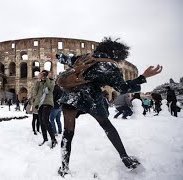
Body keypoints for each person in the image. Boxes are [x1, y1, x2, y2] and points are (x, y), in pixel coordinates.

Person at [55, 37, 162, 177]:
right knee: (107, 126)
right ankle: (126, 159)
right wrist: (143, 77)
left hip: (70, 97)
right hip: (90, 97)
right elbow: (122, 88)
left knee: (68, 132)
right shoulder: (109, 66)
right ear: (117, 54)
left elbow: (69, 59)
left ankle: (64, 168)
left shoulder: (86, 58)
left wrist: (57, 56)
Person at [33, 70, 58, 148]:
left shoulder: (51, 81)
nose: (43, 76)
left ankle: (53, 139)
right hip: (40, 104)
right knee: (41, 121)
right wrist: (38, 80)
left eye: (44, 74)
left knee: (45, 120)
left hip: (48, 102)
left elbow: (50, 88)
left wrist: (46, 78)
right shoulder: (40, 83)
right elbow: (35, 92)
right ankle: (45, 139)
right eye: (42, 74)